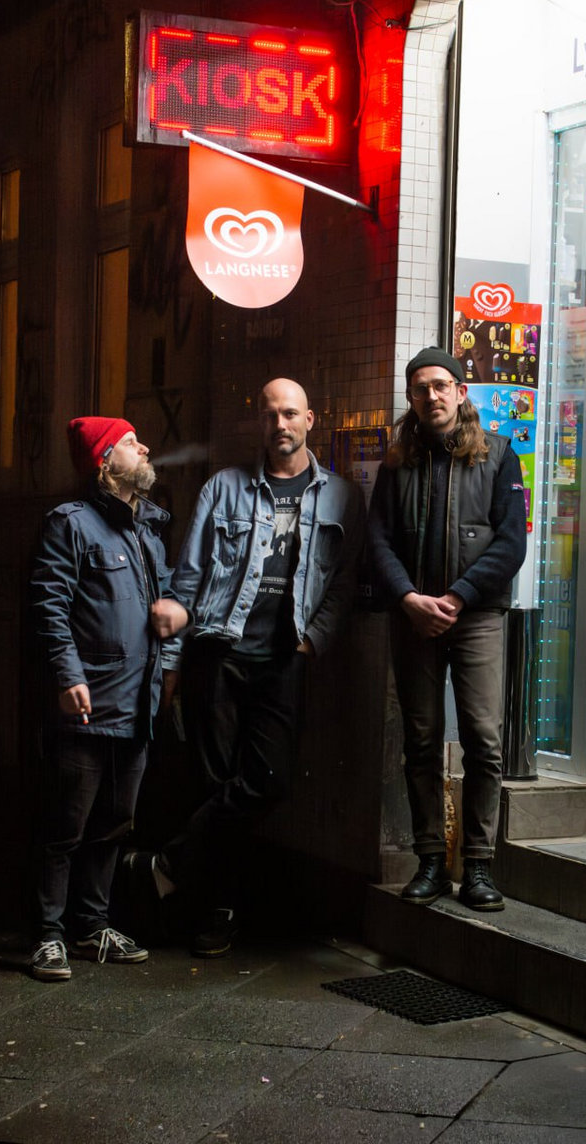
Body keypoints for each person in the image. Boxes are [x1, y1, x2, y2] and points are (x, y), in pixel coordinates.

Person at [126, 378, 366, 957]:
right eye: (270, 414)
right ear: (259, 421)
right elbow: (188, 578)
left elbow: (343, 584)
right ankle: (220, 911)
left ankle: (167, 864)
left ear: (311, 419)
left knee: (267, 781)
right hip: (219, 653)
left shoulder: (342, 497)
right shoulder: (224, 488)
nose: (280, 424)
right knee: (215, 784)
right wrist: (173, 663)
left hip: (285, 659)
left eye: (290, 413)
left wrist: (311, 644)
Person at [28, 416, 188, 981]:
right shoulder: (71, 525)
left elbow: (169, 605)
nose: (143, 447)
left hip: (137, 708)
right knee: (65, 827)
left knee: (115, 825)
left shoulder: (148, 533)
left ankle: (91, 927)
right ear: (104, 461)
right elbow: (49, 605)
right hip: (88, 705)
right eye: (128, 442)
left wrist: (176, 629)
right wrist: (67, 675)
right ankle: (47, 936)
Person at [368, 346, 527, 911]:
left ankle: (478, 866)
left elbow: (512, 543)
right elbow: (378, 541)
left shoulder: (500, 455)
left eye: (441, 385)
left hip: (475, 615)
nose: (431, 395)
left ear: (461, 392)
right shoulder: (397, 463)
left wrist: (458, 596)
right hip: (414, 618)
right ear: (411, 398)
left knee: (483, 740)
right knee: (421, 740)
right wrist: (409, 598)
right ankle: (432, 861)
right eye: (420, 388)